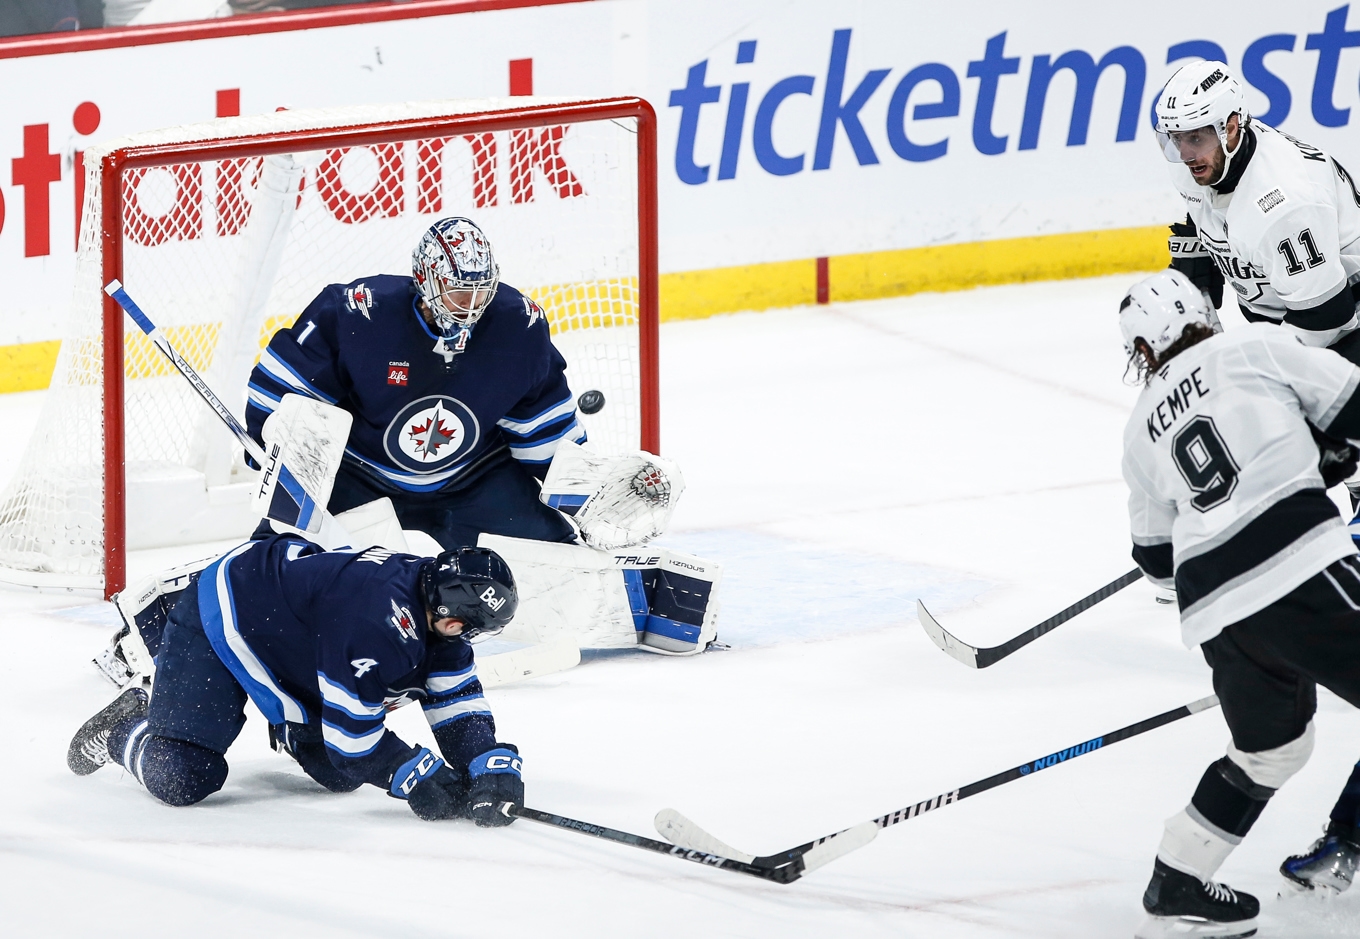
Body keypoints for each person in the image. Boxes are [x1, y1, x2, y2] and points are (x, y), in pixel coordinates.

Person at [1154, 60, 1360, 896]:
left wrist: (1325, 438)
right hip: (1306, 359)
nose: (1188, 154)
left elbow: (1333, 333)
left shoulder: (1283, 202)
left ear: (1234, 127)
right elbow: (1198, 272)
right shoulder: (1213, 175)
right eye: (1177, 141)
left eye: (1198, 138)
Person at [1119, 271, 1360, 936]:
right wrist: (1323, 453)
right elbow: (1352, 400)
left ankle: (1178, 878)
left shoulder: (1138, 430)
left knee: (1270, 750)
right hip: (1299, 563)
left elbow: (1156, 561)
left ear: (1142, 350)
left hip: (1215, 608)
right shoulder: (1249, 347)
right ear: (1201, 310)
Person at [68, 537, 526, 825]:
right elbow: (353, 742)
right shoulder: (375, 622)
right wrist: (409, 771)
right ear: (452, 620)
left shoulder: (428, 596)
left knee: (338, 775)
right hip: (227, 609)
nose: (470, 638)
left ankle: (290, 723)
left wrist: (486, 761)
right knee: (184, 777)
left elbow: (457, 700)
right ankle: (123, 729)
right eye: (473, 628)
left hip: (295, 635)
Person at [245, 217, 585, 551]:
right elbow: (282, 397)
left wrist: (585, 495)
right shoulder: (362, 315)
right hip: (361, 475)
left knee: (561, 562)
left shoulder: (517, 327)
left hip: (473, 478)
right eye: (459, 292)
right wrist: (276, 451)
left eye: (481, 292)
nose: (471, 306)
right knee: (277, 560)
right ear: (425, 280)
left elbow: (547, 431)